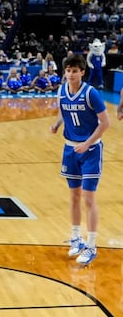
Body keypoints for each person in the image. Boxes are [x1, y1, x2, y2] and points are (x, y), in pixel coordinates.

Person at [49, 53, 109, 265]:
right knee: (74, 196)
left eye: (75, 71)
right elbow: (64, 113)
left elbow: (105, 123)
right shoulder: (61, 91)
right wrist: (57, 125)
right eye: (68, 71)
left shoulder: (91, 93)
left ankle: (92, 246)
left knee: (88, 198)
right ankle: (76, 238)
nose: (71, 74)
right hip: (70, 149)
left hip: (91, 150)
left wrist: (87, 143)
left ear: (82, 72)